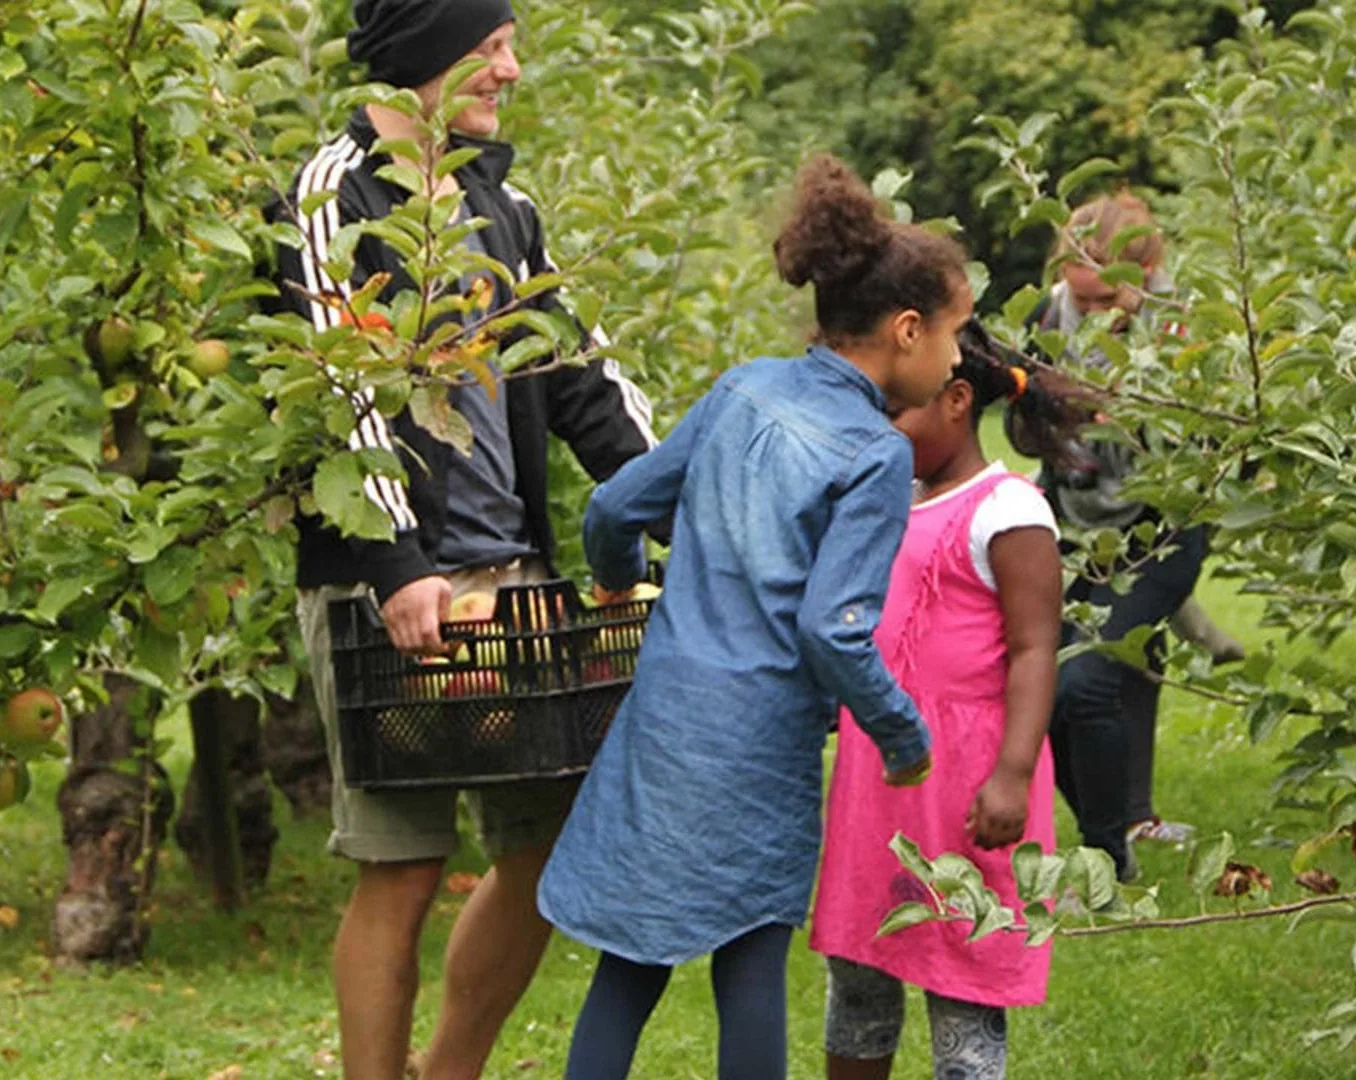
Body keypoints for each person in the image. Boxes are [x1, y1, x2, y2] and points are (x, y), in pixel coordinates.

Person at [266, 3, 660, 1077]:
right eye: (490, 49)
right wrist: (397, 566)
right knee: (402, 864)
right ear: (422, 53)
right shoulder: (328, 196)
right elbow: (336, 387)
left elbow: (582, 376)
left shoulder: (504, 204)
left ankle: (450, 1072)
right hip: (381, 584)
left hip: (513, 578)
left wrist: (674, 496)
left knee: (544, 849)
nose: (511, 71)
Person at [536, 153, 974, 1080]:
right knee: (750, 960)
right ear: (905, 332)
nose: (958, 357)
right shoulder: (873, 453)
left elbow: (613, 510)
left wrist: (618, 582)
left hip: (662, 725)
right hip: (758, 746)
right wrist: (902, 734)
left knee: (630, 961)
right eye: (955, 333)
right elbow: (832, 629)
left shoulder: (742, 390)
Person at [810, 318, 1064, 1080]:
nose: (879, 428)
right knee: (861, 968)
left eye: (895, 411)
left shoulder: (1009, 509)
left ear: (957, 400)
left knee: (964, 966)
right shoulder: (888, 499)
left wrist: (1013, 775)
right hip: (881, 785)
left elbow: (1034, 650)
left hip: (968, 787)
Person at [1027, 193, 1238, 880]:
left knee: (1084, 676)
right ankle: (1116, 826)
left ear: (1149, 271)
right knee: (1048, 685)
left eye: (1103, 302)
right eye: (1078, 299)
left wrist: (1132, 408)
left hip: (1161, 531)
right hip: (1071, 523)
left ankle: (1106, 858)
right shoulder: (1042, 316)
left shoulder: (1188, 330)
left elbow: (1223, 445)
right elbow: (1024, 426)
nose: (1088, 317)